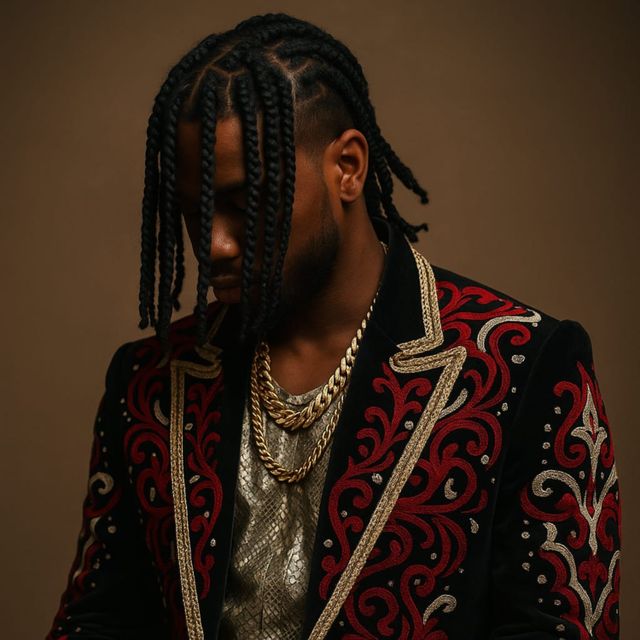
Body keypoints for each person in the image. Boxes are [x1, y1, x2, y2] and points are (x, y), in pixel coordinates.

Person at [47, 12, 622, 640]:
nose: (213, 245)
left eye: (243, 204)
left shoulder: (520, 364)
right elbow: (96, 621)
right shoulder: (149, 381)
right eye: (196, 211)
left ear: (347, 166)